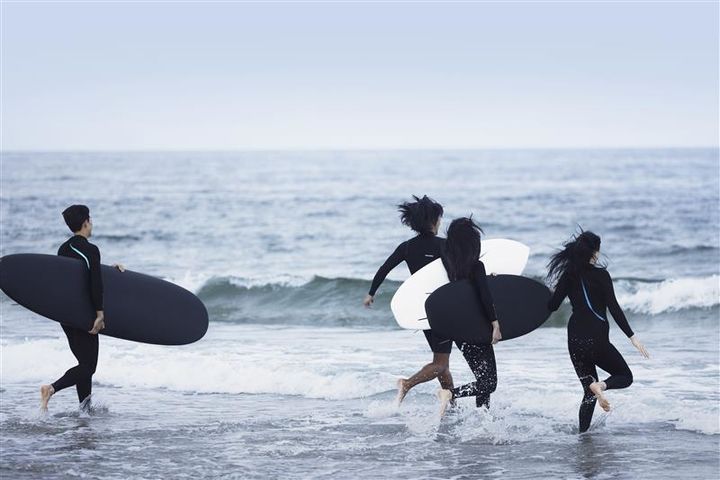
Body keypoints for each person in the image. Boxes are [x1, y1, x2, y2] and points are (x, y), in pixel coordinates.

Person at [546, 230, 649, 433]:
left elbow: (553, 306)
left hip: (575, 339)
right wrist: (632, 336)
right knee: (625, 376)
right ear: (594, 252)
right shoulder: (602, 275)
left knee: (587, 392)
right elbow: (614, 307)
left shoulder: (568, 276)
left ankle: (582, 436)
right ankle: (602, 386)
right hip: (597, 338)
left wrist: (538, 292)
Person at [363, 195, 453, 403]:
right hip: (443, 309)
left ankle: (453, 404)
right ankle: (407, 384)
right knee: (440, 363)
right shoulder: (444, 245)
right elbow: (455, 275)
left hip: (423, 310)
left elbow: (384, 268)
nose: (440, 222)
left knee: (441, 361)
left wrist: (371, 293)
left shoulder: (407, 247)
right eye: (439, 218)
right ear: (433, 221)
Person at [39, 205, 125, 411]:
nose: (92, 223)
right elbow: (94, 283)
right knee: (88, 366)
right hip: (84, 314)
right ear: (85, 223)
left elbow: (78, 277)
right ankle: (51, 388)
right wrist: (99, 314)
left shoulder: (63, 249)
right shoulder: (91, 249)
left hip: (66, 315)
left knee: (84, 363)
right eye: (91, 220)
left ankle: (84, 410)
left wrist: (110, 271)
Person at [437, 217, 502, 416]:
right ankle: (450, 393)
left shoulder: (446, 263)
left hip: (457, 329)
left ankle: (484, 421)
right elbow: (484, 296)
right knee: (489, 383)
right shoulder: (476, 266)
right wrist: (495, 324)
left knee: (482, 378)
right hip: (477, 327)